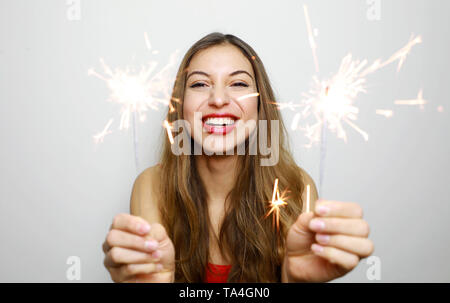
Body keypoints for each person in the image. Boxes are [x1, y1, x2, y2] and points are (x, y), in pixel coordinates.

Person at [102, 32, 374, 283]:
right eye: (199, 83)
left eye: (239, 83)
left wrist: (294, 279)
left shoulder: (297, 186)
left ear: (259, 105)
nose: (218, 99)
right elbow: (151, 274)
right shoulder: (152, 185)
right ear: (180, 105)